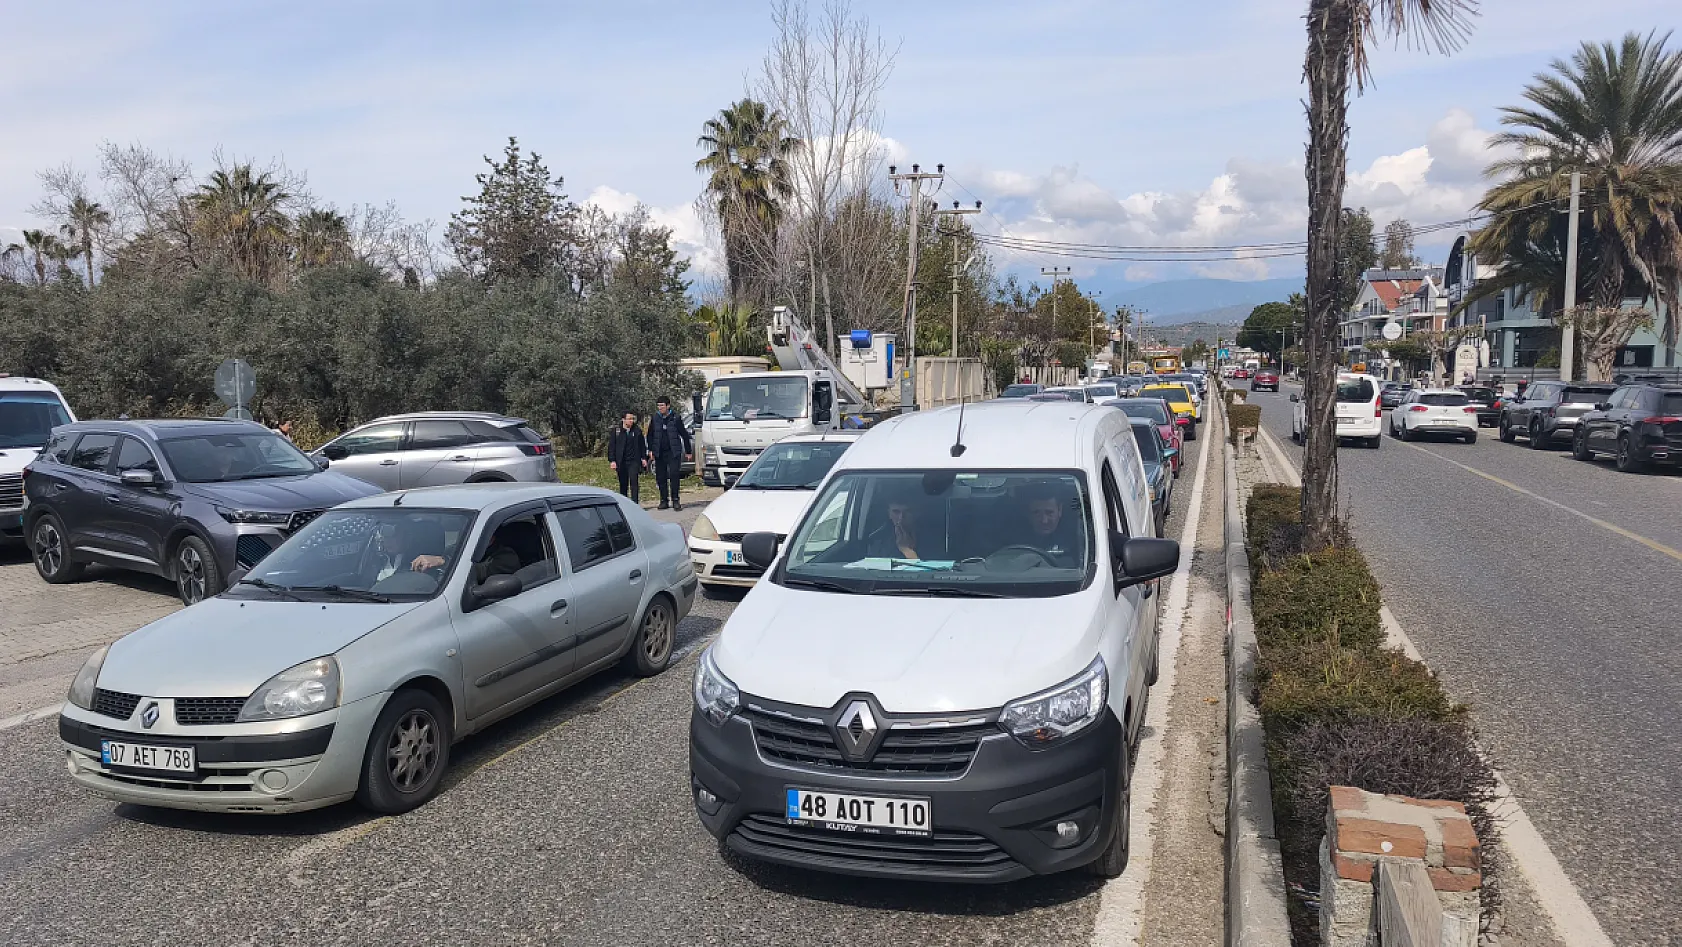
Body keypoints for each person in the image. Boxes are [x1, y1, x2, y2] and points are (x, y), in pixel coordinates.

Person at [1018, 483, 1081, 567]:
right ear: (1027, 513)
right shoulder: (1013, 539)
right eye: (1036, 513)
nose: (1044, 520)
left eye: (1049, 512)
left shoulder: (1078, 539)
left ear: (1060, 510)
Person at [646, 395, 692, 511]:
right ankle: (663, 500)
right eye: (658, 406)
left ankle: (675, 500)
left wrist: (688, 451)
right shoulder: (655, 418)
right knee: (661, 477)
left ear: (668, 406)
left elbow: (684, 434)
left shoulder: (675, 418)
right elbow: (650, 435)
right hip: (659, 452)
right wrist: (651, 450)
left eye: (662, 405)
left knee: (674, 475)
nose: (660, 408)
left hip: (673, 451)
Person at [607, 411, 647, 502]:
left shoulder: (637, 430)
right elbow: (611, 447)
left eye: (632, 419)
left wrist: (643, 458)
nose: (631, 421)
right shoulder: (616, 431)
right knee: (623, 484)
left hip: (633, 461)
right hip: (621, 462)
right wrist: (612, 461)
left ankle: (635, 503)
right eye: (629, 419)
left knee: (634, 483)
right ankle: (624, 503)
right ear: (623, 419)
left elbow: (642, 446)